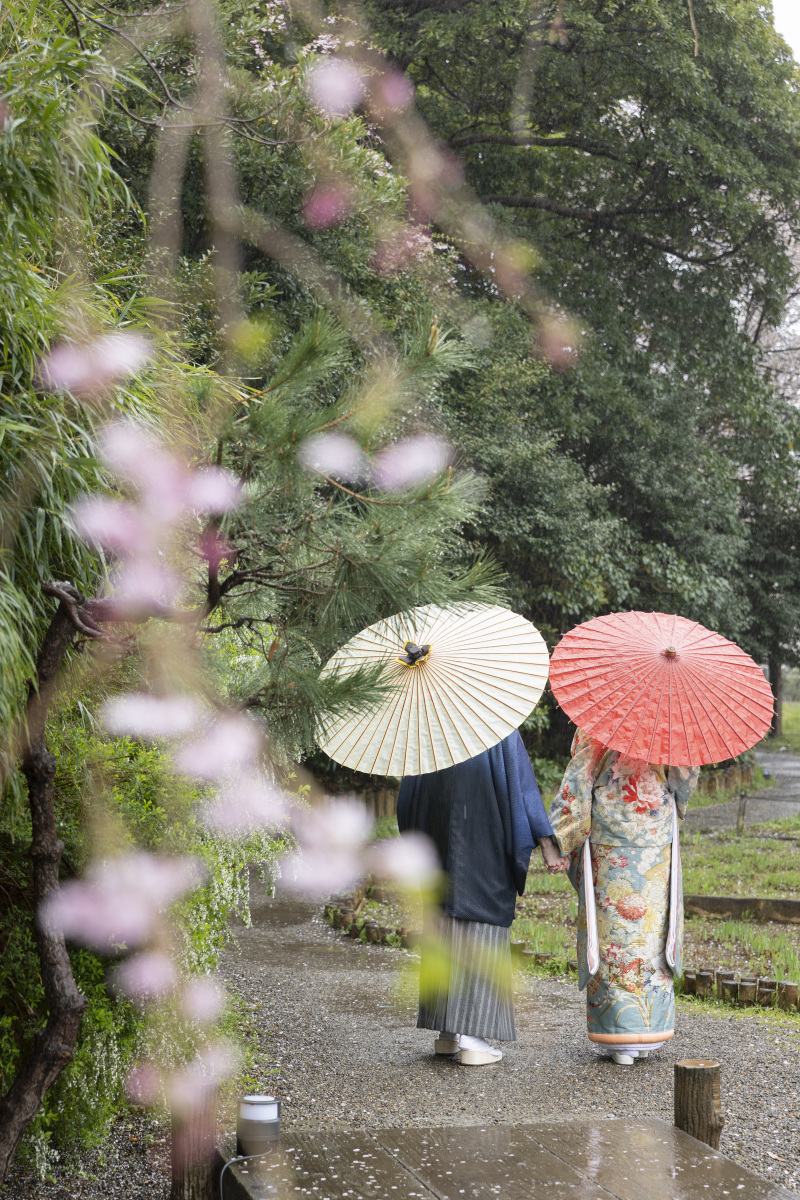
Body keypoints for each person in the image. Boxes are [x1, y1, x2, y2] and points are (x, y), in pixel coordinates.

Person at [397, 728, 569, 1066]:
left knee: (443, 922)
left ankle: (447, 1031)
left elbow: (406, 801)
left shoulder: (428, 723)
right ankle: (473, 1037)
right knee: (481, 924)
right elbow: (521, 791)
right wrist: (548, 844)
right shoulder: (496, 723)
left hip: (437, 842)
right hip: (483, 840)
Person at [548, 730, 699, 1065]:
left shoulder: (600, 721)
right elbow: (684, 783)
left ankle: (619, 1036)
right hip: (654, 844)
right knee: (648, 932)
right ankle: (646, 1030)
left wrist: (562, 839)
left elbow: (578, 780)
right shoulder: (670, 721)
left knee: (614, 934)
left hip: (609, 842)